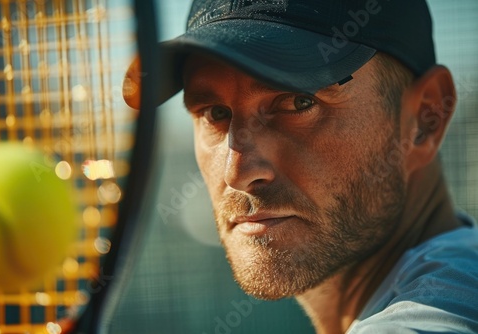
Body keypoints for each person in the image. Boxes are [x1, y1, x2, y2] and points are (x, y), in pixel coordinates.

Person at [125, 0, 478, 332]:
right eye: (215, 113)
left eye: (298, 102)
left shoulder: (443, 311)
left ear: (425, 117)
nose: (238, 173)